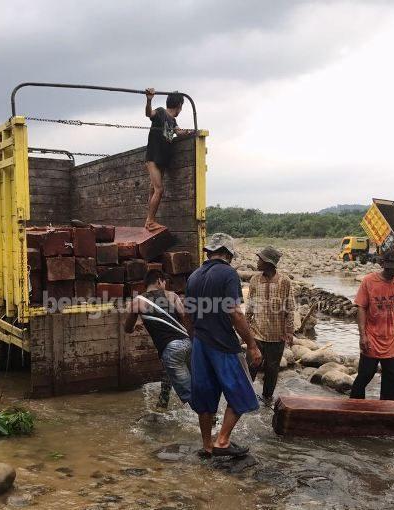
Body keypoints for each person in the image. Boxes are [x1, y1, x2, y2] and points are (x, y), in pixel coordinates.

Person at [186, 232, 262, 457]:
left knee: (205, 398)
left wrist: (194, 339)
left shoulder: (194, 276)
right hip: (222, 343)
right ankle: (222, 441)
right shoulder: (228, 274)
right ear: (228, 254)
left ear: (209, 252)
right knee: (242, 393)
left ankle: (207, 445)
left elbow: (187, 315)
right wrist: (252, 344)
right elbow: (234, 313)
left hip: (200, 343)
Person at [349, 249, 394, 401]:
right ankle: (354, 408)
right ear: (381, 263)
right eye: (388, 269)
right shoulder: (368, 281)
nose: (391, 273)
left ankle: (388, 414)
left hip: (393, 342)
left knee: (393, 380)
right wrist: (363, 336)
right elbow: (361, 308)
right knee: (365, 376)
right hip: (372, 339)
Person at [124, 269, 193, 407]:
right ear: (159, 281)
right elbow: (185, 316)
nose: (165, 286)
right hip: (188, 343)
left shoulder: (137, 302)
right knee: (193, 380)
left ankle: (211, 420)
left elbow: (127, 328)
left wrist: (136, 325)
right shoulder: (172, 296)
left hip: (171, 349)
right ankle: (163, 402)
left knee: (189, 393)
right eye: (164, 283)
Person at [246, 246, 295, 403]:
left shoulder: (284, 281)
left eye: (260, 259)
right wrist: (245, 329)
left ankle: (267, 398)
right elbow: (250, 307)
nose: (257, 262)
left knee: (272, 370)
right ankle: (245, 396)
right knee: (251, 366)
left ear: (268, 262)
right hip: (256, 333)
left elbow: (290, 308)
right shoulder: (254, 280)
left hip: (276, 335)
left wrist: (289, 331)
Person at [143, 87, 193, 232]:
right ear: (179, 106)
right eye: (181, 107)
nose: (181, 109)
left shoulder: (173, 120)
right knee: (159, 189)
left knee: (153, 189)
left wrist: (188, 132)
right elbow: (148, 114)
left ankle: (149, 220)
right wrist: (148, 100)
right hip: (153, 157)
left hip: (163, 159)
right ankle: (150, 221)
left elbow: (179, 132)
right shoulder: (160, 112)